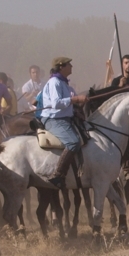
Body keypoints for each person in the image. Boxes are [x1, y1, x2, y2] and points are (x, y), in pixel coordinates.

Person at [38, 57, 89, 189]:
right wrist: (75, 99)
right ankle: (58, 174)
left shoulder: (64, 83)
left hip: (65, 118)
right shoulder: (55, 82)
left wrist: (77, 106)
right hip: (54, 119)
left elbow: (67, 104)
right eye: (69, 64)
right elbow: (56, 103)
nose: (71, 66)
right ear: (61, 67)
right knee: (73, 142)